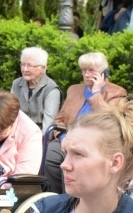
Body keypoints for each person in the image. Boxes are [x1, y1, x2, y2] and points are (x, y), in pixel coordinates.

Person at [44, 52, 126, 194]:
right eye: (84, 70)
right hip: (68, 138)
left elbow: (111, 121)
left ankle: (74, 198)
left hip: (95, 142)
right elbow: (59, 120)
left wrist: (95, 93)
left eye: (91, 71)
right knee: (49, 154)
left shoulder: (117, 93)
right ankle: (57, 195)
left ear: (103, 73)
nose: (87, 74)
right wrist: (64, 138)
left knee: (77, 160)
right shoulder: (74, 90)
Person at [10, 47, 61, 131]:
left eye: (29, 65)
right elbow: (10, 112)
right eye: (23, 64)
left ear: (43, 68)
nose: (25, 69)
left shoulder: (51, 90)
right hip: (17, 132)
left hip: (38, 134)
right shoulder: (16, 84)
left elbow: (48, 125)